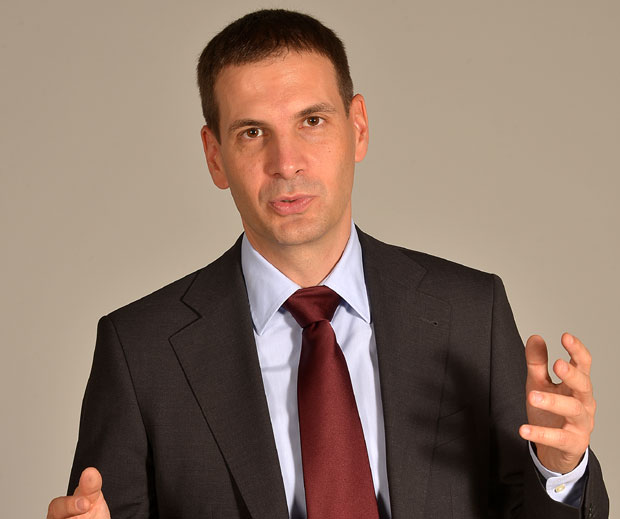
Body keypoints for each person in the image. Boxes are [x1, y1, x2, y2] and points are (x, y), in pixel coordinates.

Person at [47, 9, 608, 519]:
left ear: (357, 128)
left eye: (311, 121)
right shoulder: (139, 351)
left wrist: (559, 471)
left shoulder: (469, 313)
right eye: (252, 133)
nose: (286, 162)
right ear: (215, 157)